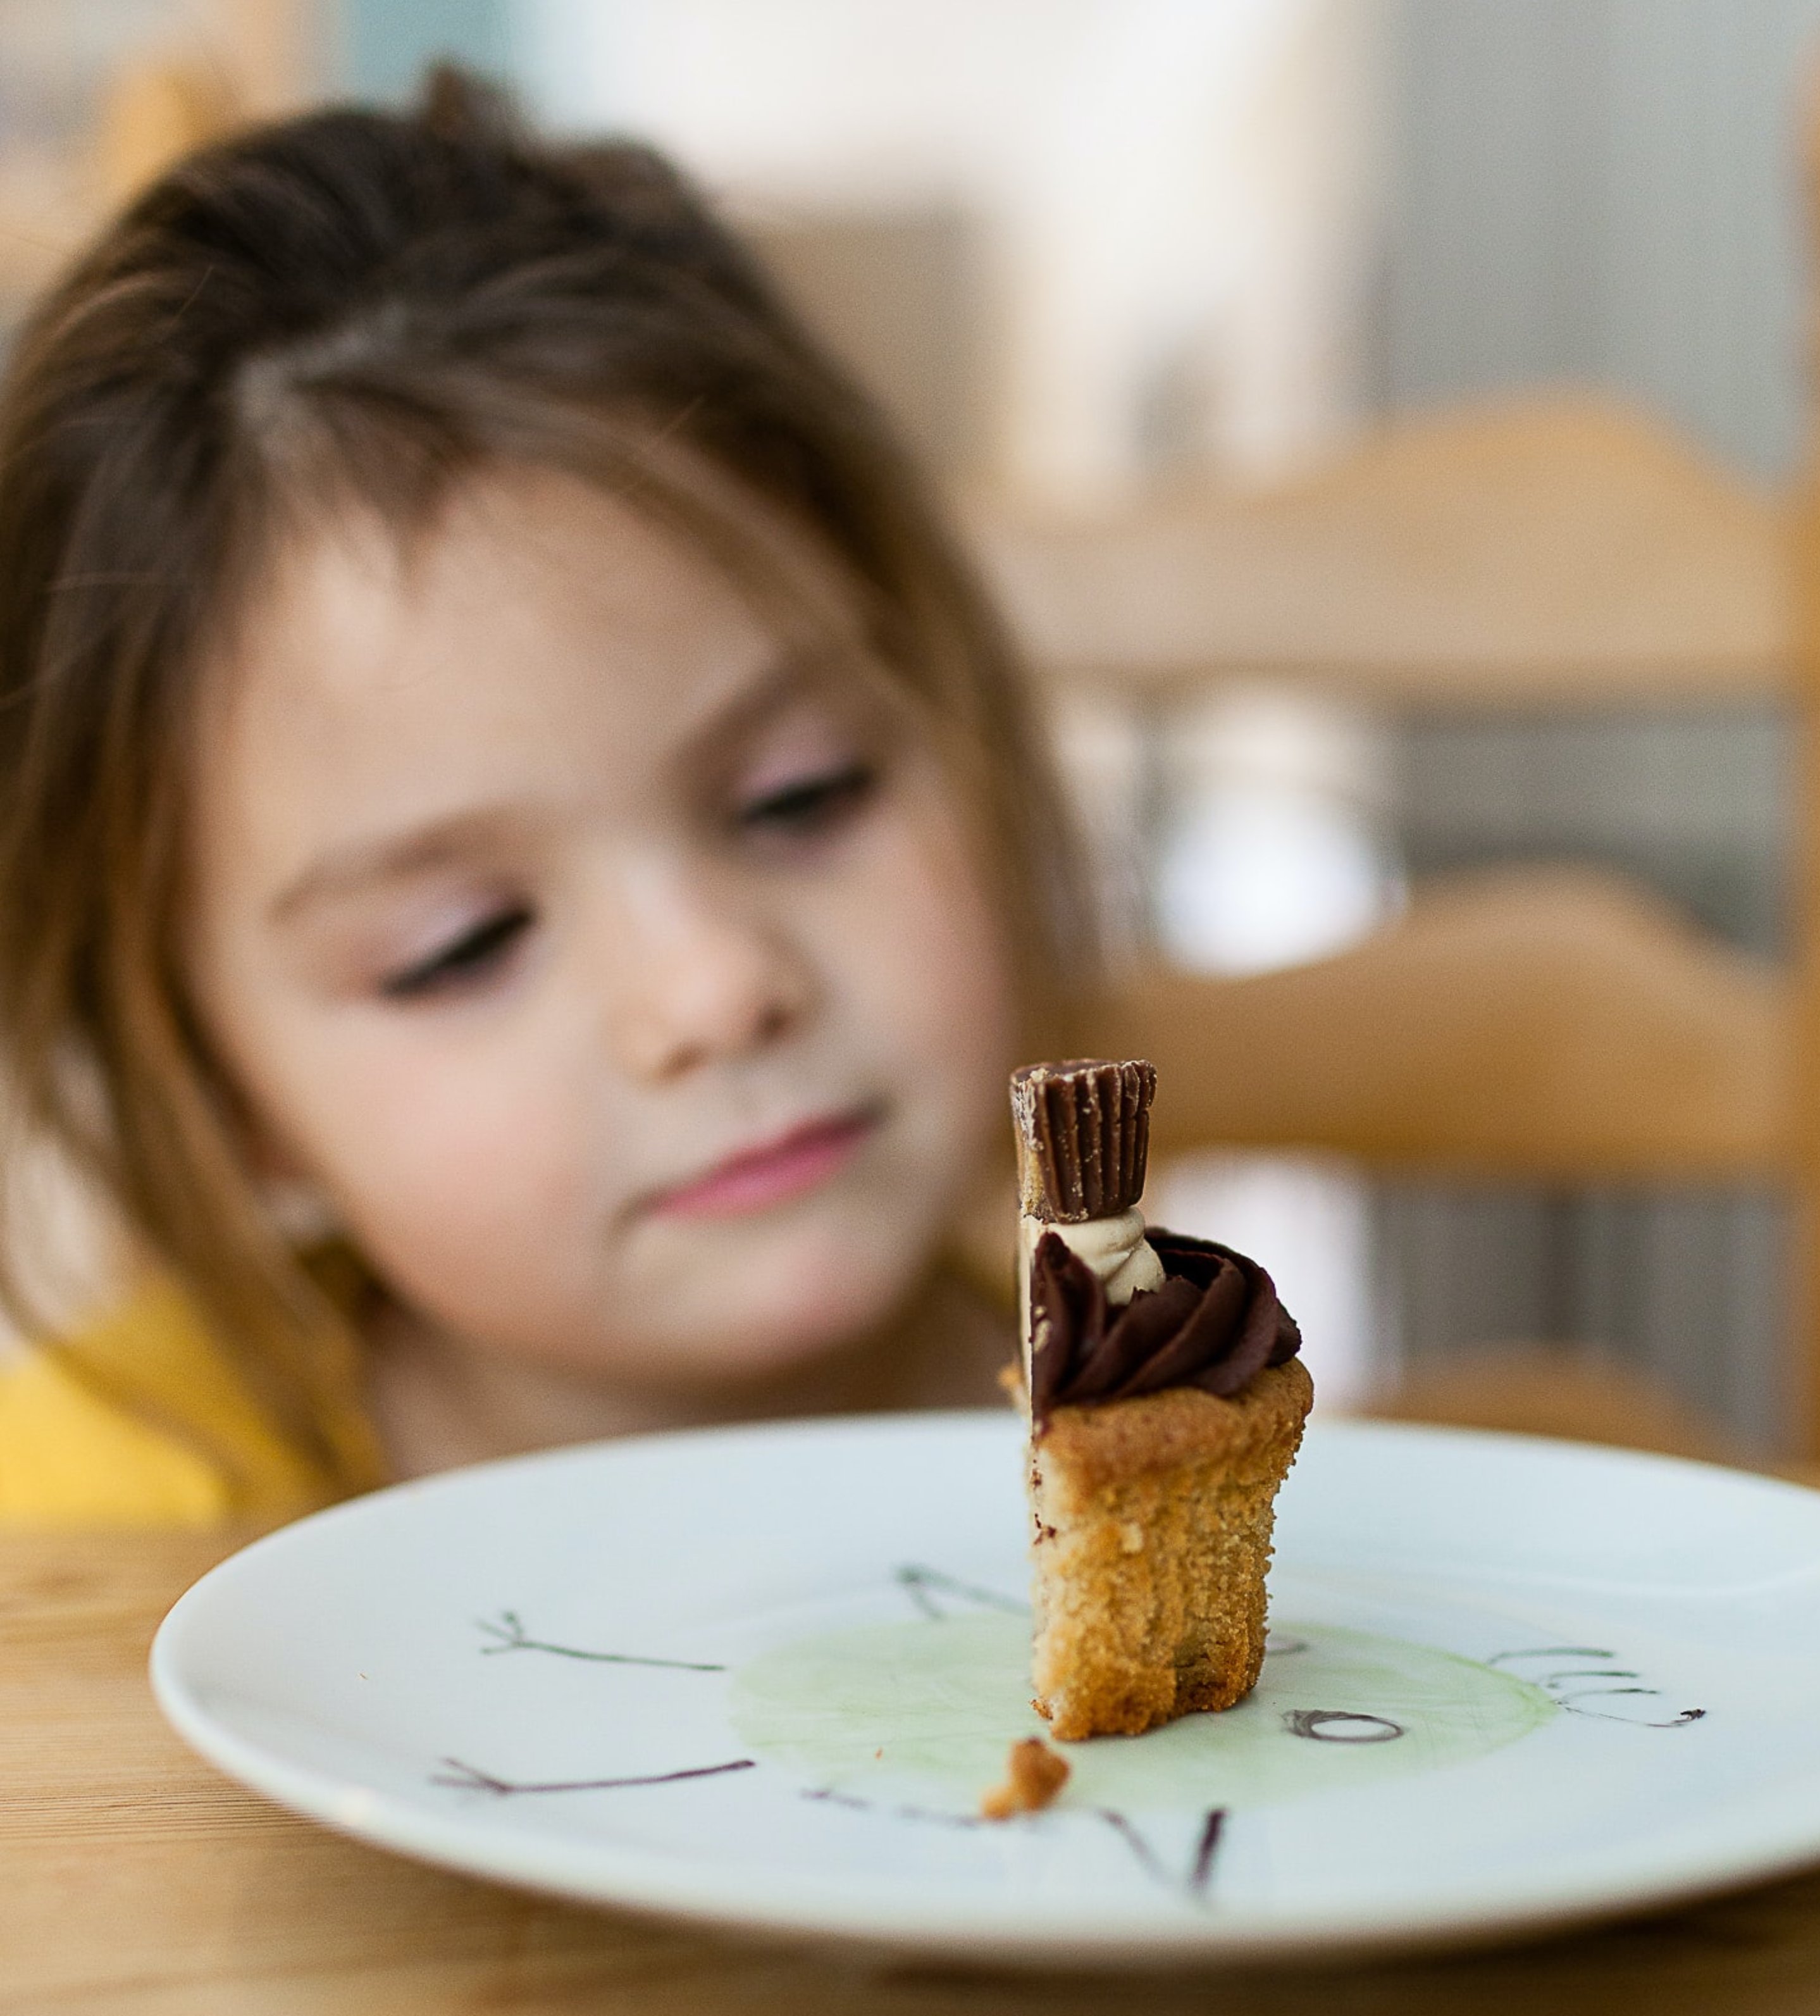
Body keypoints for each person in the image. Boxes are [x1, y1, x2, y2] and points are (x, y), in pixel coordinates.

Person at [0, 70, 1090, 1524]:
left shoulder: (1174, 1416)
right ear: (221, 1102)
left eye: (800, 797)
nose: (713, 990)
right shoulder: (67, 1542)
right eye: (461, 944)